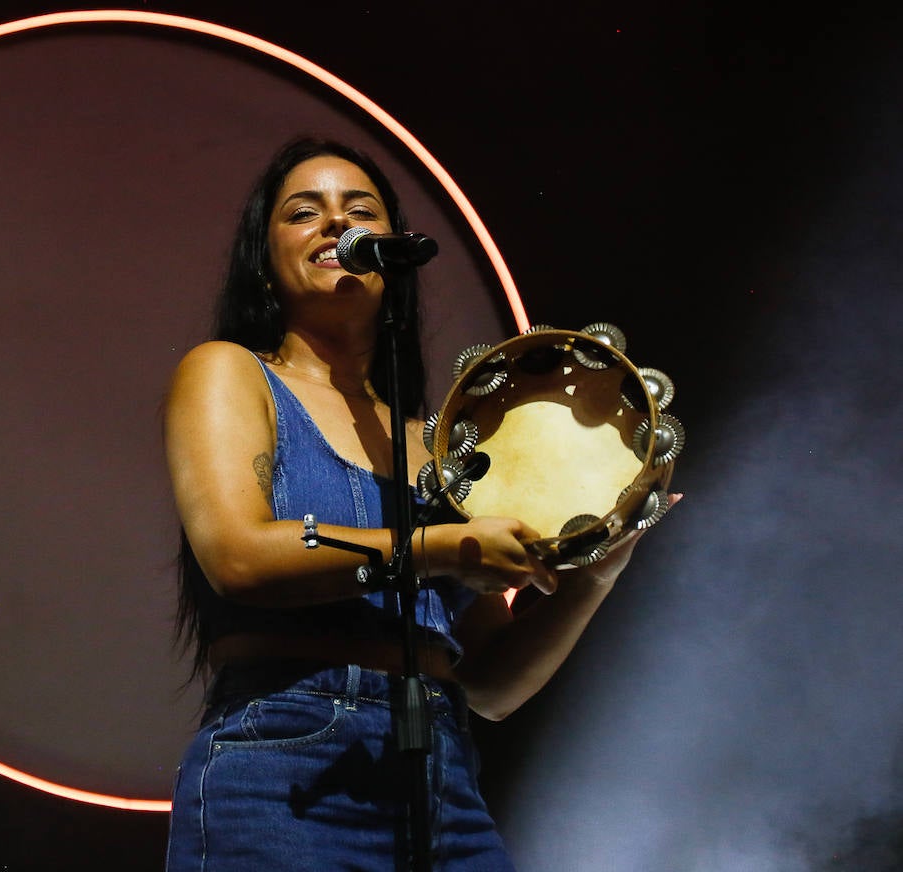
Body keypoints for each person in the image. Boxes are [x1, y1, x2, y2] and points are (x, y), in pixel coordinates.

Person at [162, 137, 657, 871]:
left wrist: (593, 578)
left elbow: (488, 685)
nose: (336, 224)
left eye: (359, 210)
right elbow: (236, 555)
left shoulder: (434, 445)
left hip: (442, 775)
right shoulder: (230, 373)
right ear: (264, 262)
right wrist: (440, 550)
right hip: (286, 765)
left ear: (394, 253)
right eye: (305, 213)